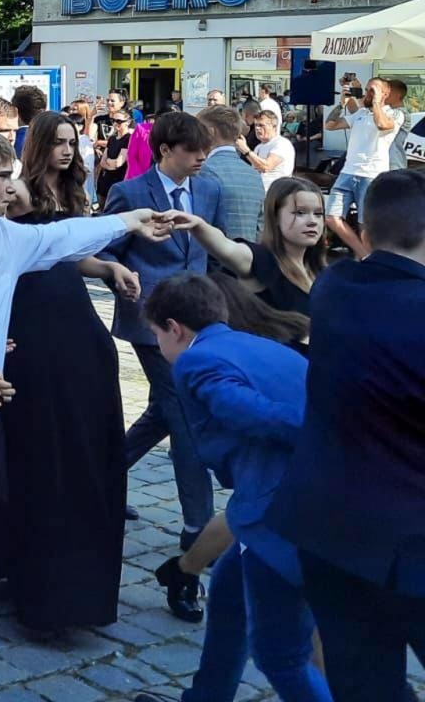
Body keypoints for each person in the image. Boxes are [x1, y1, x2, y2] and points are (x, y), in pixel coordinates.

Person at [0, 124, 173, 670]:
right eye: (3, 176)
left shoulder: (6, 239)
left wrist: (130, 220)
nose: (11, 187)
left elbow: (63, 237)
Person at [267, 169, 425, 702]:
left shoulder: (334, 288)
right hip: (411, 537)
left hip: (331, 528)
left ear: (367, 229)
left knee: (364, 687)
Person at [135, 274, 331, 702]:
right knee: (228, 593)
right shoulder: (266, 346)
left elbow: (243, 410)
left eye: (156, 335)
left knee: (281, 655)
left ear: (174, 328)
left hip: (281, 516)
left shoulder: (195, 360)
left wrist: (325, 430)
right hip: (297, 504)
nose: (159, 346)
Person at [1, 112, 134, 633]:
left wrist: (108, 266)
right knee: (41, 444)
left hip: (74, 318)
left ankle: (82, 584)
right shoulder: (17, 192)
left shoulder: (73, 192)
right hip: (31, 319)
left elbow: (70, 254)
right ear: (37, 145)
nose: (66, 150)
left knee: (85, 441)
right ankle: (32, 580)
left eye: (71, 142)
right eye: (57, 142)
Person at [102, 110, 224, 610]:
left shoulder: (209, 189)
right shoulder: (130, 192)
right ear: (166, 150)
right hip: (150, 321)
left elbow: (212, 250)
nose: (201, 158)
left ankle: (101, 475)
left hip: (196, 319)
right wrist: (119, 273)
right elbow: (106, 250)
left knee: (163, 411)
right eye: (192, 150)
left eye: (204, 150)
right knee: (186, 415)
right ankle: (198, 528)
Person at [169, 177, 327, 317]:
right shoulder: (262, 260)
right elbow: (227, 248)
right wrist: (199, 226)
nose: (312, 221)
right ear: (275, 216)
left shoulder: (323, 271)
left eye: (318, 214)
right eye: (300, 213)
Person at [323, 77, 405, 254]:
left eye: (372, 90)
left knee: (365, 224)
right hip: (347, 172)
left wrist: (376, 102)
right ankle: (364, 254)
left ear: (385, 93)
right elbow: (330, 125)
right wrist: (341, 104)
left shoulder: (396, 114)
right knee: (331, 217)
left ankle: (365, 257)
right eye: (367, 90)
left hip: (371, 174)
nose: (368, 94)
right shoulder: (361, 113)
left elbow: (382, 125)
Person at [195, 105, 265, 241]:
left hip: (214, 251)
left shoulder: (203, 171)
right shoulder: (254, 175)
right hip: (249, 251)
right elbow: (260, 227)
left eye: (198, 131)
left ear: (210, 132)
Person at [242, 108, 295, 192]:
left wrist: (245, 150)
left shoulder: (282, 143)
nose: (257, 128)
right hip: (259, 192)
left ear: (274, 127)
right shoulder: (258, 147)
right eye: (256, 125)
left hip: (276, 194)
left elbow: (266, 167)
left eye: (261, 125)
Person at [95, 110, 133, 205]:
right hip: (104, 182)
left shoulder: (129, 138)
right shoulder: (112, 139)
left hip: (118, 182)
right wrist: (109, 163)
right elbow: (102, 162)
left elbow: (118, 163)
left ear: (128, 122)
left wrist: (108, 161)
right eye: (113, 120)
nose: (115, 123)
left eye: (119, 121)